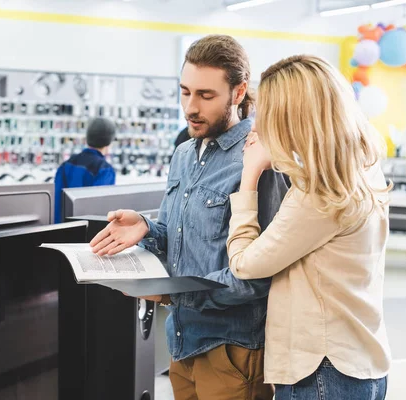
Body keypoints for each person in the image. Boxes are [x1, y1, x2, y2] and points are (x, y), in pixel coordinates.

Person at [90, 35, 289, 400]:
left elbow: (260, 273)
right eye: (185, 92)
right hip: (182, 345)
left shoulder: (260, 156)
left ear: (239, 91)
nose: (190, 107)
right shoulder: (183, 153)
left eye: (205, 95)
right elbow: (178, 237)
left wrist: (170, 295)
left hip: (233, 350)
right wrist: (148, 228)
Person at [227, 55, 391, 400]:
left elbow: (244, 263)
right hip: (359, 363)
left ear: (292, 118)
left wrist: (250, 175)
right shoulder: (358, 172)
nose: (257, 126)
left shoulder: (319, 195)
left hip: (322, 371)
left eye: (267, 114)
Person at [54, 117, 116, 224]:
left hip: (61, 230)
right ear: (109, 141)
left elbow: (56, 204)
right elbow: (100, 210)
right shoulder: (105, 170)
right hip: (88, 234)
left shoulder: (66, 165)